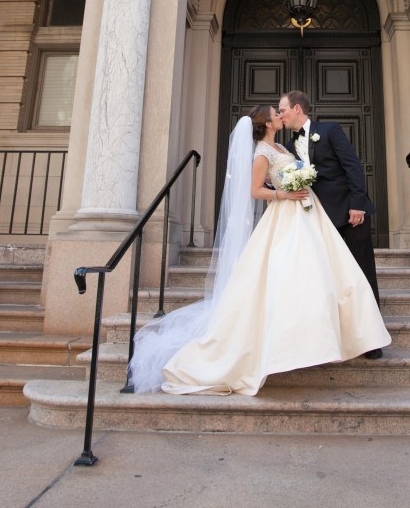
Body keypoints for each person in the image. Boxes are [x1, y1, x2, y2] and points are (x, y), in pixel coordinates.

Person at [127, 105, 390, 396]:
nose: (280, 115)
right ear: (266, 122)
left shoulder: (284, 145)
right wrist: (283, 193)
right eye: (275, 112)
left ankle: (330, 338)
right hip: (285, 215)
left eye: (283, 110)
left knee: (328, 273)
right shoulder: (262, 152)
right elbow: (255, 190)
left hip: (309, 215)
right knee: (286, 274)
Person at [277, 91, 384, 359]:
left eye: (283, 110)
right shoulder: (289, 148)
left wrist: (357, 204)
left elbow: (352, 167)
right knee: (332, 278)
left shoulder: (330, 130)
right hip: (318, 220)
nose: (281, 115)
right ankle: (338, 338)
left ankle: (372, 341)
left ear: (297, 108)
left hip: (349, 214)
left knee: (361, 275)